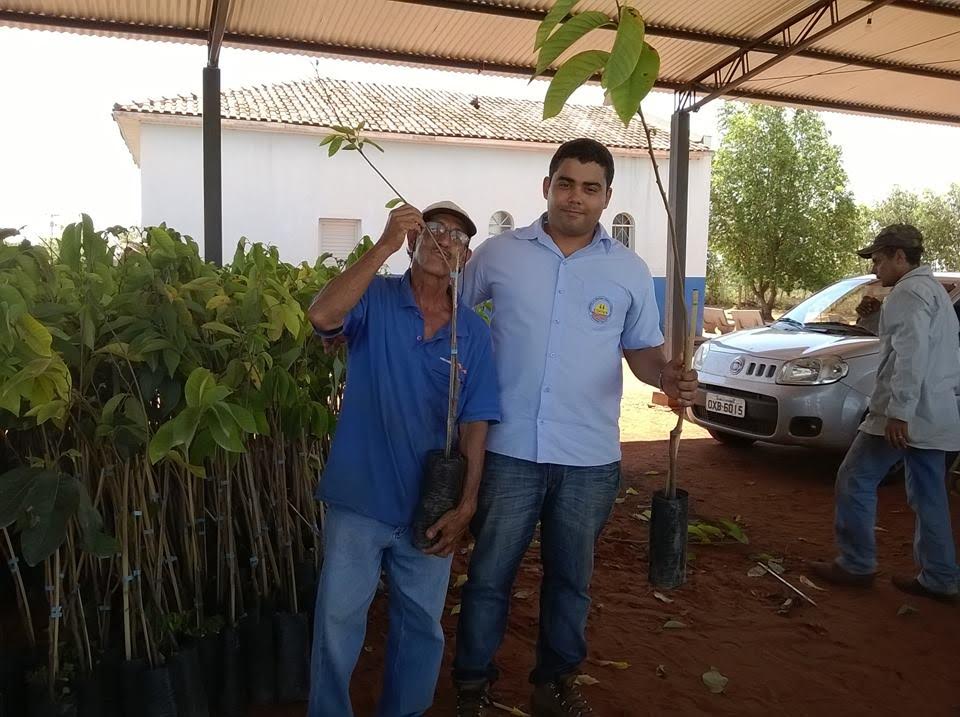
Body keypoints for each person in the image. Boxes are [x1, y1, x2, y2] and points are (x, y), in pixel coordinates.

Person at [452, 138, 698, 717]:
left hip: (589, 458)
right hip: (508, 448)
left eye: (591, 188)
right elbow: (452, 316)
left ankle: (554, 683)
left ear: (607, 198)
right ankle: (472, 687)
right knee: (488, 576)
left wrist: (668, 373)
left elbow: (642, 354)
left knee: (571, 581)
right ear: (547, 187)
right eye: (566, 183)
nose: (576, 197)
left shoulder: (629, 270)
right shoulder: (498, 255)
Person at [306, 201, 500, 716]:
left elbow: (476, 425)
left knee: (421, 629)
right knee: (336, 626)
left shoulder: (473, 334)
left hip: (430, 509)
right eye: (434, 230)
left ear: (467, 256)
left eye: (458, 237)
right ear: (413, 241)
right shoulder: (375, 299)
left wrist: (467, 505)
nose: (445, 241)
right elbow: (323, 315)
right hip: (359, 499)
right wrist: (384, 245)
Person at [811, 224, 960, 604]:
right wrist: (874, 320)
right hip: (934, 411)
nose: (875, 268)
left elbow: (911, 357)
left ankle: (857, 563)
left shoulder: (909, 293)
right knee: (929, 494)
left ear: (899, 256)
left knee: (855, 478)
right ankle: (941, 577)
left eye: (879, 259)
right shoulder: (933, 292)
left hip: (904, 413)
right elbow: (911, 343)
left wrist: (899, 412)